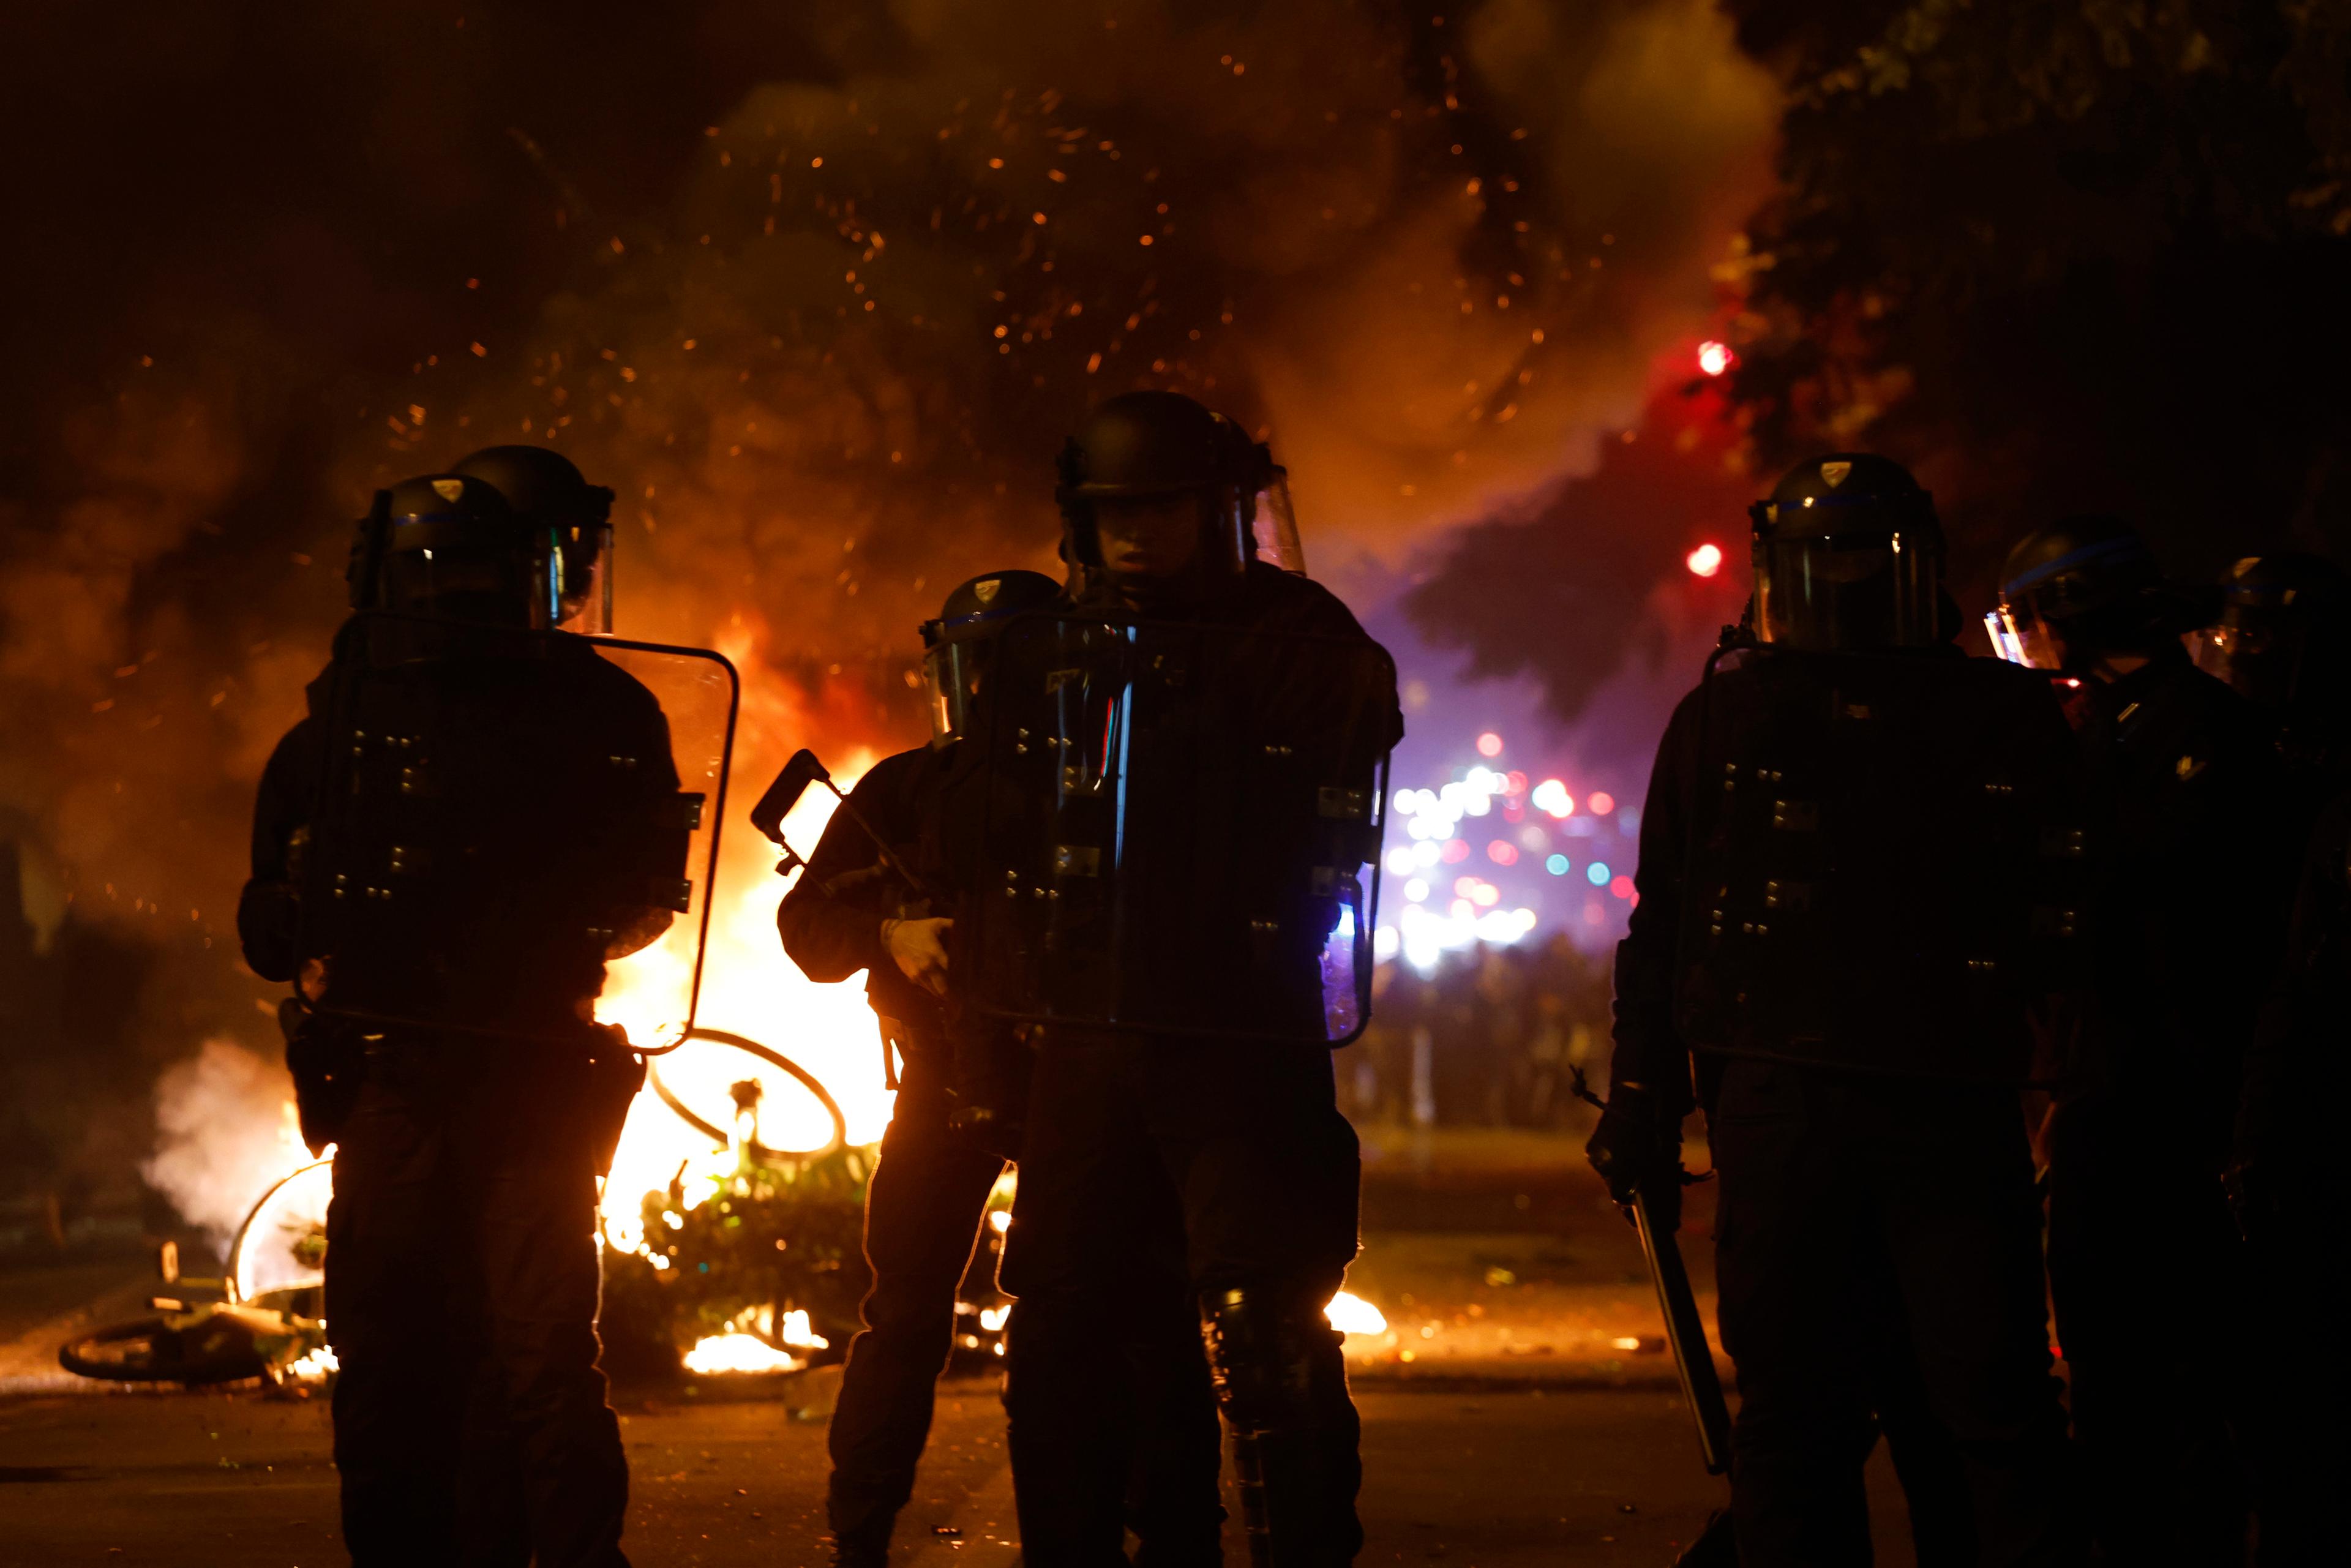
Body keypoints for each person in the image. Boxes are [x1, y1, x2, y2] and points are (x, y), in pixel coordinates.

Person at [1595, 454, 2084, 1566]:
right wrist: (1641, 1094)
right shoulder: (1724, 718)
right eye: (1828, 566)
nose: (1850, 590)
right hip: (1798, 1105)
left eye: (1869, 565)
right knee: (1799, 1420)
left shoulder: (1997, 719)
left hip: (1935, 1102)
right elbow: (1670, 924)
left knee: (1979, 1411)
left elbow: (2065, 915)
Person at [239, 460, 691, 1567]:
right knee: (404, 1361)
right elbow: (269, 928)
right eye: (433, 573)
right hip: (398, 1082)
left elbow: (640, 900)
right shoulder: (338, 731)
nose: (452, 598)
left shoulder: (597, 713)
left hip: (524, 1078)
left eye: (475, 573)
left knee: (532, 1361)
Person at [980, 391, 1401, 1567]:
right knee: (1063, 1331)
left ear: (1221, 510)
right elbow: (997, 826)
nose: (1135, 531)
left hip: (1235, 1033)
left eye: (1162, 506)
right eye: (1113, 510)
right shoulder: (1043, 648)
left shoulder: (1306, 644)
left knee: (1262, 1326)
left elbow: (1315, 810)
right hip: (1085, 1034)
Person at [1991, 517, 2295, 1563]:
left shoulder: (2169, 741)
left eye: (2027, 617)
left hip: (2157, 1106)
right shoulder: (2137, 727)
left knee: (2152, 1378)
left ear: (2069, 617)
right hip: (2147, 1094)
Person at [778, 569, 1082, 1566]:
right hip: (940, 1080)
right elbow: (809, 929)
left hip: (1081, 1091)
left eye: (1013, 668)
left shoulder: (1104, 788)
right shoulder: (902, 791)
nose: (993, 693)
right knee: (905, 1313)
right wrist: (890, 933)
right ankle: (857, 1533)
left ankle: (1078, 1532)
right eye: (977, 668)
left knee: (1074, 1314)